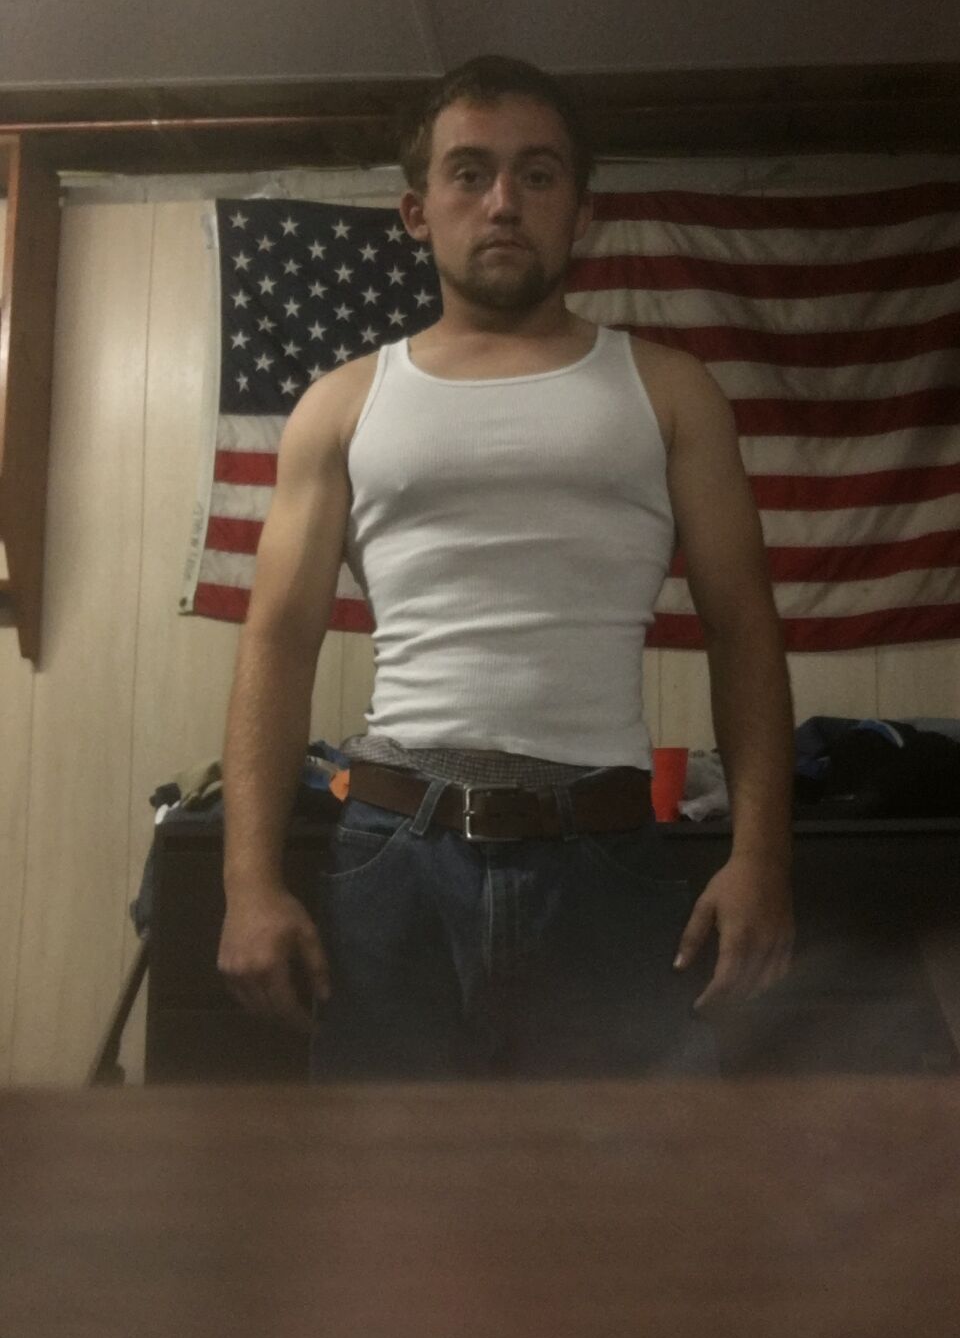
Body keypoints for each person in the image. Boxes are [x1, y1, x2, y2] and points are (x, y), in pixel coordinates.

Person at [216, 54, 795, 1081]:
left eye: (537, 174)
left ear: (581, 211)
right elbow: (278, 640)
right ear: (417, 210)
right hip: (393, 860)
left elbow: (744, 628)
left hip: (603, 860)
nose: (502, 202)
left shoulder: (671, 393)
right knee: (389, 1181)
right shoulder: (341, 405)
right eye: (469, 173)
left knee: (627, 1180)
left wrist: (761, 858)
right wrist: (247, 883)